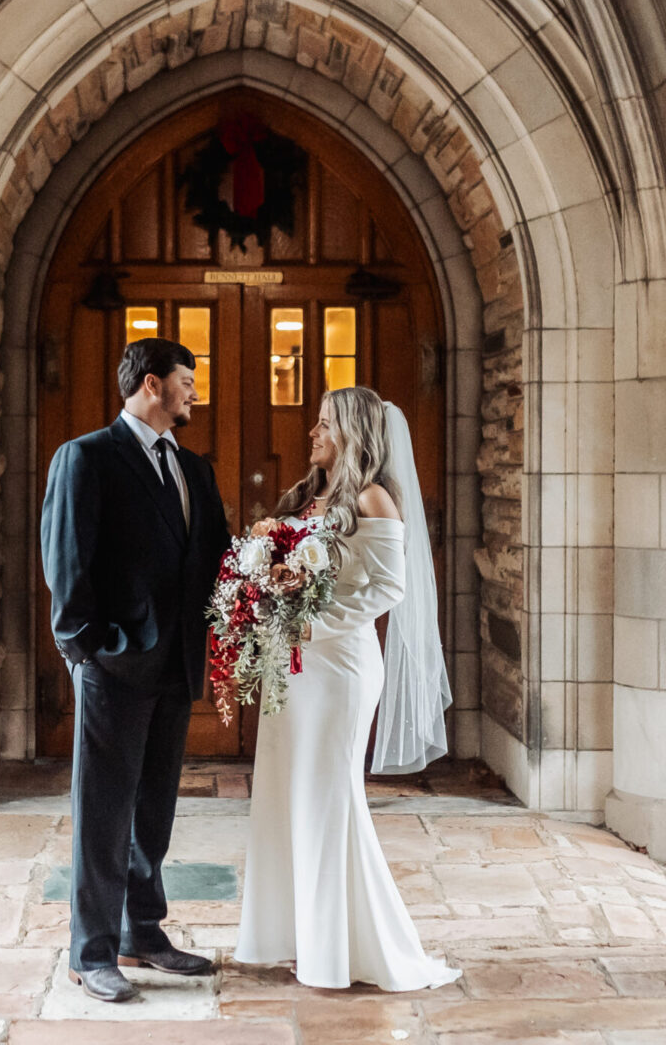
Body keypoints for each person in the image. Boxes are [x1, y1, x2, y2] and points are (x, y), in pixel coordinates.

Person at [234, 385, 460, 991]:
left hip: (340, 669)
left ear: (354, 434)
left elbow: (388, 587)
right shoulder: (313, 495)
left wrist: (313, 621)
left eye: (325, 425)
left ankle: (340, 948)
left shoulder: (373, 498)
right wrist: (265, 591)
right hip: (297, 666)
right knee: (288, 795)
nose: (312, 433)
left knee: (328, 798)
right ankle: (300, 936)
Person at [40, 337, 232, 1003]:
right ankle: (89, 952)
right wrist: (90, 649)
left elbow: (215, 559)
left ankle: (141, 933)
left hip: (178, 666)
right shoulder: (87, 457)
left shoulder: (193, 469)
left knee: (152, 810)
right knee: (103, 814)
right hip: (113, 668)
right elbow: (67, 564)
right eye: (186, 380)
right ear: (152, 384)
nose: (193, 392)